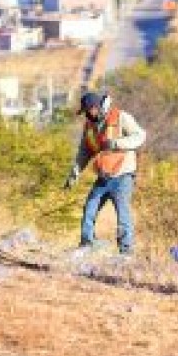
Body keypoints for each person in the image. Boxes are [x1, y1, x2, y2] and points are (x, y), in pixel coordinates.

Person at [64, 91, 146, 257]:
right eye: (85, 112)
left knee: (122, 213)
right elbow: (84, 152)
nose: (87, 114)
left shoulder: (121, 117)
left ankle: (126, 252)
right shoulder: (90, 125)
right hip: (103, 176)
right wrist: (74, 174)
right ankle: (86, 244)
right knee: (90, 208)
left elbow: (140, 136)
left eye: (88, 111)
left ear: (96, 107)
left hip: (123, 175)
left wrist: (116, 143)